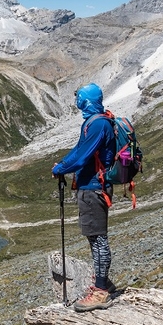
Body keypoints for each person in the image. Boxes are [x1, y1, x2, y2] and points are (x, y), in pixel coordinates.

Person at [52, 83, 116, 312]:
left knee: (98, 239)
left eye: (79, 97)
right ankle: (103, 281)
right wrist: (62, 164)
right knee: (94, 238)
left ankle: (101, 292)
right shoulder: (93, 122)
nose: (76, 101)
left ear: (86, 100)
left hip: (93, 188)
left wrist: (62, 169)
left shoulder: (98, 124)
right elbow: (79, 151)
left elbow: (83, 157)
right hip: (90, 187)